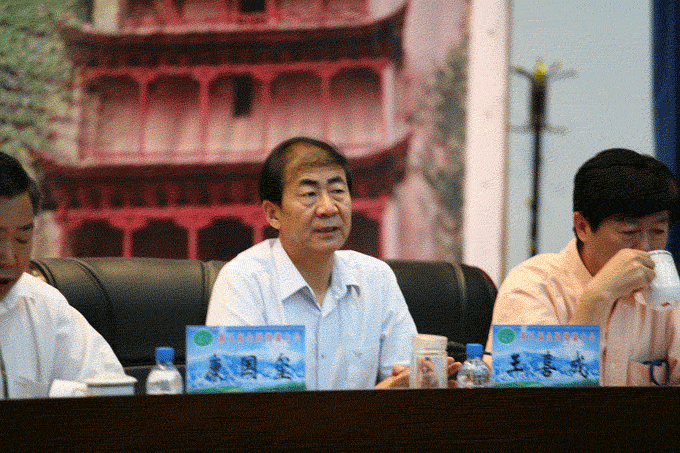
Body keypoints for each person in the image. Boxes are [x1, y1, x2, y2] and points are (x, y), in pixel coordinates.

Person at [207, 137, 459, 389]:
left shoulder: (375, 278)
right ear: (273, 214)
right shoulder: (243, 281)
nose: (328, 208)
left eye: (337, 191)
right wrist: (379, 397)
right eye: (309, 194)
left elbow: (404, 377)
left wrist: (422, 382)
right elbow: (236, 400)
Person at [486, 148, 680, 386]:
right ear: (583, 227)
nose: (645, 248)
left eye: (658, 231)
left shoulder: (669, 293)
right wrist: (599, 295)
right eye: (629, 232)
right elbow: (528, 395)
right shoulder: (532, 285)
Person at [0, 152, 123, 398]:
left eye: (22, 239)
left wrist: (53, 394)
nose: (10, 258)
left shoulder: (43, 305)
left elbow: (111, 391)